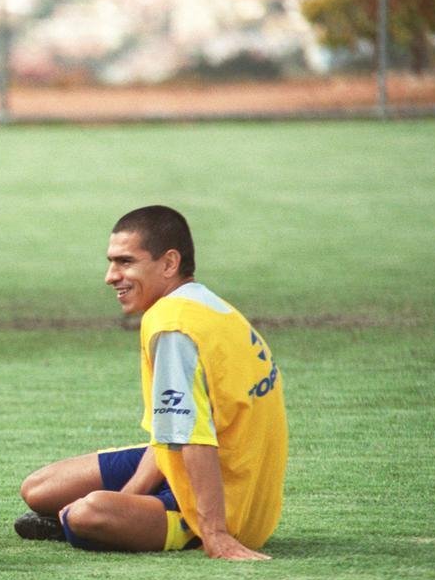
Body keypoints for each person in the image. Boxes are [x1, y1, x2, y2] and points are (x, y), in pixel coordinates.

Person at [16, 205, 287, 561]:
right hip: (213, 473)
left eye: (125, 262)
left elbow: (194, 437)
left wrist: (217, 535)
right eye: (112, 262)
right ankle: (117, 518)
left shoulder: (173, 328)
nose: (111, 276)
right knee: (38, 490)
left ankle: (182, 530)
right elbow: (170, 433)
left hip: (227, 501)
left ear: (169, 263)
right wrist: (131, 496)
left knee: (86, 513)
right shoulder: (208, 306)